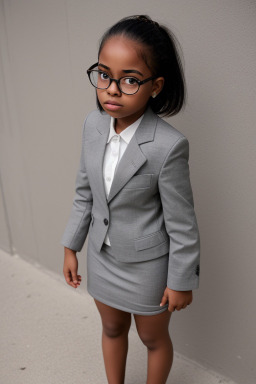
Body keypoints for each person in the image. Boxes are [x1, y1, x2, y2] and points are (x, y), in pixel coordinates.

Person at [61, 14, 200, 384]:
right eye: (104, 75)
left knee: (153, 338)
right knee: (110, 329)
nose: (112, 89)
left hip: (148, 267)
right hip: (102, 257)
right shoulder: (92, 126)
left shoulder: (168, 147)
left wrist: (181, 279)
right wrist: (71, 246)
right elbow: (84, 193)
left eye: (130, 80)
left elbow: (182, 222)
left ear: (155, 86)